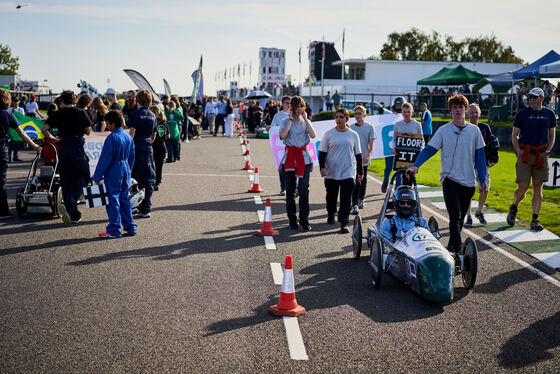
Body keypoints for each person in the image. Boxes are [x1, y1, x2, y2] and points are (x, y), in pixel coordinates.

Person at [407, 94, 487, 253]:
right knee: (455, 217)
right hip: (450, 180)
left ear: (466, 109)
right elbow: (429, 149)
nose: (458, 110)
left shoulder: (474, 131)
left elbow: (480, 157)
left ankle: (451, 245)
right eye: (455, 107)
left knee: (460, 220)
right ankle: (457, 253)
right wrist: (416, 165)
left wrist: (483, 179)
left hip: (469, 183)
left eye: (461, 107)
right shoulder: (444, 130)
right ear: (450, 110)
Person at [507, 87, 557, 231]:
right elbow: (514, 134)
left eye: (535, 97)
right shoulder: (522, 114)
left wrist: (548, 150)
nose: (532, 100)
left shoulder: (549, 114)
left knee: (537, 186)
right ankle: (514, 206)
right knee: (523, 186)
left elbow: (552, 135)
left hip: (541, 153)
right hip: (525, 153)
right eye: (530, 97)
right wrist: (518, 150)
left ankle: (535, 219)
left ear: (542, 98)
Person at [41, 90, 93, 225]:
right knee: (83, 177)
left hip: (63, 147)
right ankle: (71, 200)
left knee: (66, 179)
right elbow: (88, 131)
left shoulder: (57, 114)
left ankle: (73, 214)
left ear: (62, 101)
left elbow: (44, 129)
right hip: (77, 147)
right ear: (75, 101)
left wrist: (54, 138)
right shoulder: (82, 112)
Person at [92, 110, 137, 238]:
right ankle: (130, 227)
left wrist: (97, 176)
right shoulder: (128, 137)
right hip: (125, 169)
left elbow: (104, 159)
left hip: (114, 171)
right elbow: (132, 157)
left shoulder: (111, 138)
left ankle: (114, 229)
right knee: (124, 199)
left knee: (113, 200)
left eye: (108, 123)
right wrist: (129, 171)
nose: (107, 125)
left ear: (112, 123)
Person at [319, 108, 362, 233]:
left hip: (348, 171)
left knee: (345, 198)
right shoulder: (329, 134)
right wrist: (322, 167)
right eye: (337, 117)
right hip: (331, 171)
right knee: (331, 197)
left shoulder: (353, 135)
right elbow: (322, 152)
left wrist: (360, 172)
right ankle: (331, 213)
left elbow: (358, 155)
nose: (338, 119)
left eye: (341, 117)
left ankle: (344, 222)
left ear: (347, 119)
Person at [0, 89, 42, 218]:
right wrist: (34, 145)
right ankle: (3, 211)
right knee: (1, 181)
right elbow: (21, 132)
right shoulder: (7, 115)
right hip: (2, 150)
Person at [278, 96, 317, 231]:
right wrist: (290, 119)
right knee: (290, 190)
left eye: (301, 106)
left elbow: (313, 135)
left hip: (303, 158)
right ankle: (292, 219)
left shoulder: (305, 121)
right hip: (290, 158)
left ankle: (304, 219)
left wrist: (306, 119)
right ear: (292, 108)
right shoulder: (285, 121)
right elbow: (282, 136)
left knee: (303, 189)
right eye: (296, 107)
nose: (299, 109)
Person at [128, 90, 157, 218]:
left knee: (135, 178)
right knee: (149, 178)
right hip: (148, 147)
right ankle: (146, 208)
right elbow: (153, 135)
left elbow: (132, 133)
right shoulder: (153, 115)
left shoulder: (135, 114)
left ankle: (134, 206)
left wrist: (128, 147)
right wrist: (148, 143)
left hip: (137, 147)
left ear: (138, 100)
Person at [465, 104, 493, 226]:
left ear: (480, 114)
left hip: (483, 163)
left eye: (476, 112)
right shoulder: (465, 127)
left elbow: (491, 144)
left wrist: (493, 158)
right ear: (467, 114)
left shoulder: (485, 127)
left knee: (485, 188)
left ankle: (479, 211)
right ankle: (468, 215)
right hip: (468, 164)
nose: (474, 115)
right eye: (471, 112)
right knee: (468, 190)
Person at [350, 105, 376, 215]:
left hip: (364, 158)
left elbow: (371, 144)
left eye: (359, 113)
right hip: (353, 159)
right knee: (355, 182)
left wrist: (368, 154)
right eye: (356, 113)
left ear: (364, 115)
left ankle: (361, 199)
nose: (357, 115)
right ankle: (354, 204)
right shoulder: (351, 127)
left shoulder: (370, 127)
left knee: (363, 181)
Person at [381, 96, 406, 193]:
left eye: (400, 105)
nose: (398, 107)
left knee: (399, 169)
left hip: (401, 147)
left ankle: (397, 190)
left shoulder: (406, 117)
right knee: (388, 167)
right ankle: (386, 180)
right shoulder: (389, 116)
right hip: (390, 146)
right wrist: (391, 117)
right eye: (397, 105)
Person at [268, 96, 291, 195]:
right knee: (282, 167)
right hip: (281, 145)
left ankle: (294, 188)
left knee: (295, 167)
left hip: (293, 144)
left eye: (290, 103)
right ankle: (283, 188)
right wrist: (269, 128)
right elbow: (273, 129)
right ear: (282, 104)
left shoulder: (295, 115)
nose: (289, 105)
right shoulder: (277, 116)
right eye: (286, 103)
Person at [149, 106, 168, 191]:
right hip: (162, 146)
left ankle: (152, 181)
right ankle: (157, 182)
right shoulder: (164, 122)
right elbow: (168, 135)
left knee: (151, 165)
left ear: (155, 113)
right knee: (159, 166)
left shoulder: (153, 122)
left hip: (153, 146)